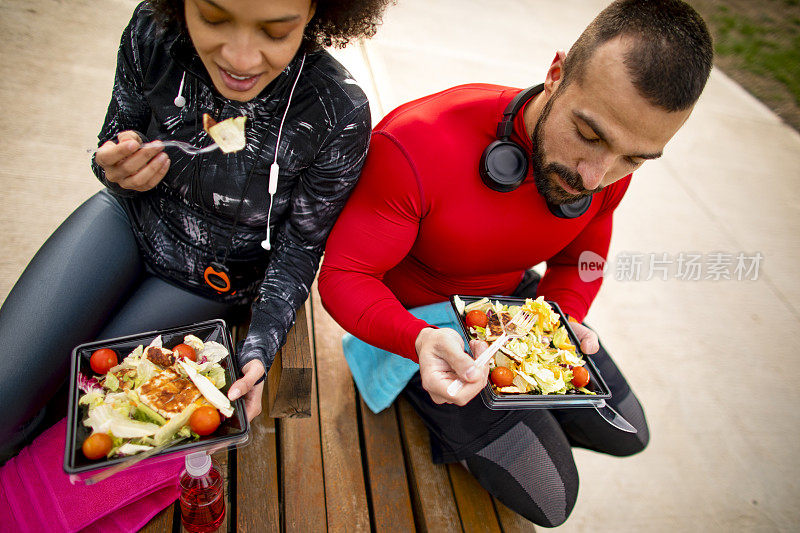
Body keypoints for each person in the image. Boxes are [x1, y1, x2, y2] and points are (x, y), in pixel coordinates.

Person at [319, 0, 712, 527]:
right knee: (553, 498)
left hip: (517, 313)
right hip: (421, 327)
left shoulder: (604, 166)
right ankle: (434, 401)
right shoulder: (417, 141)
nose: (596, 177)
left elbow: (584, 261)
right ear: (555, 74)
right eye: (589, 135)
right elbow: (345, 276)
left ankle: (521, 410)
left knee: (628, 433)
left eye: (633, 159)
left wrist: (565, 315)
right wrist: (416, 339)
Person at [0, 0, 392, 462]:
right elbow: (115, 134)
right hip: (126, 218)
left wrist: (260, 346)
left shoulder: (335, 109)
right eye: (214, 18)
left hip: (212, 278)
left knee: (76, 422)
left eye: (276, 31)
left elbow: (301, 248)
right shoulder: (154, 31)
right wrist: (115, 167)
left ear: (316, 15)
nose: (241, 59)